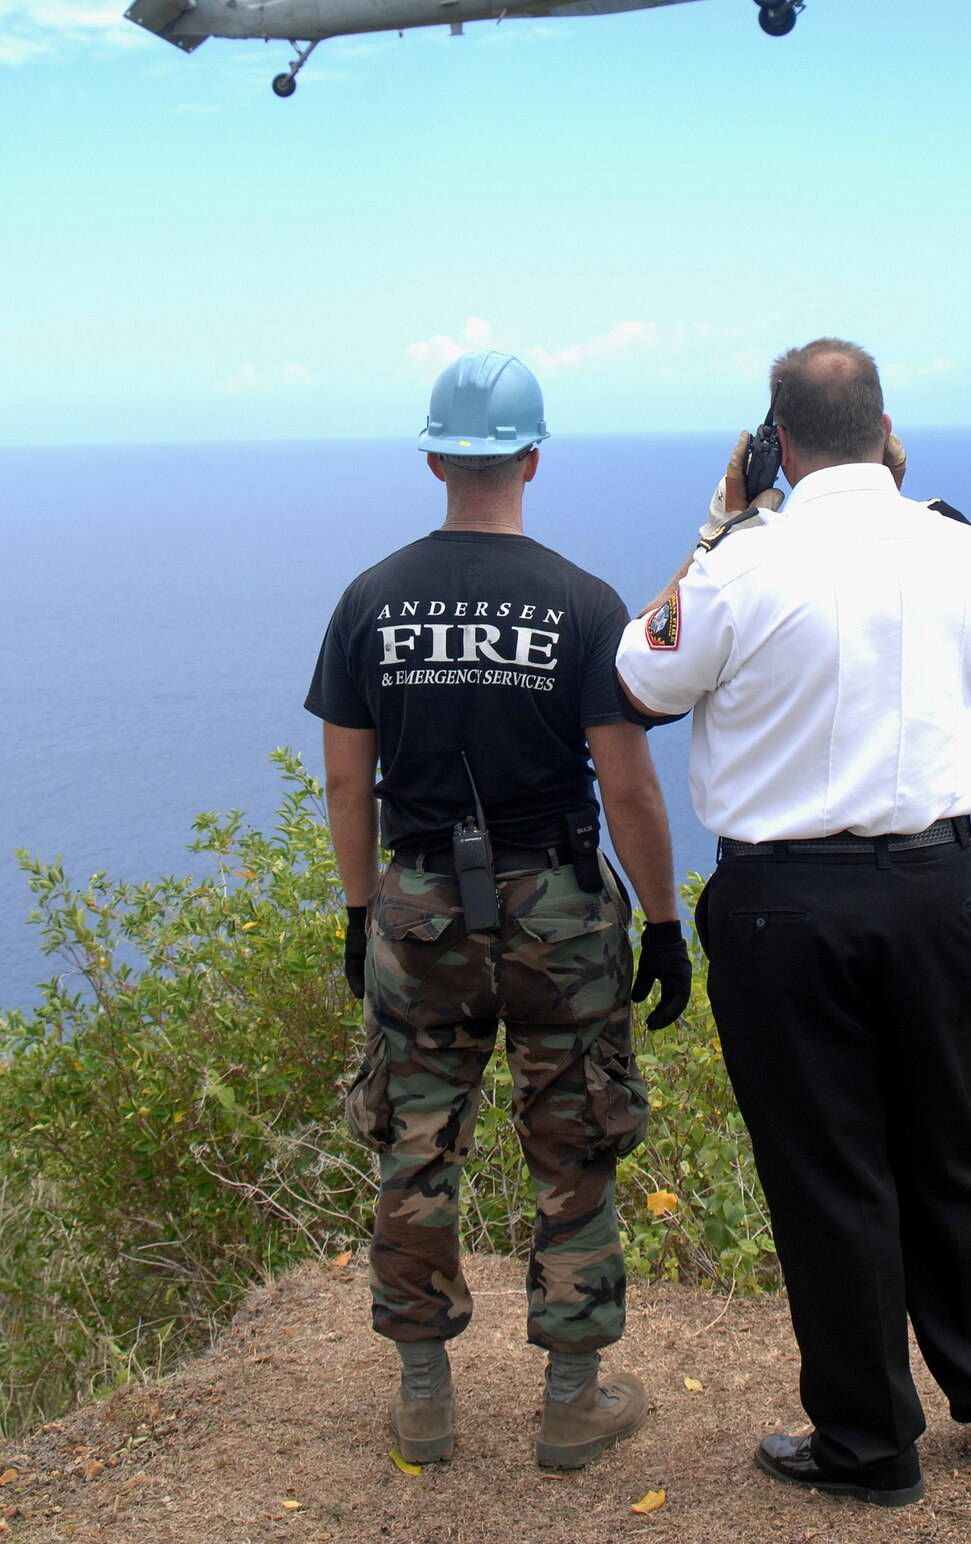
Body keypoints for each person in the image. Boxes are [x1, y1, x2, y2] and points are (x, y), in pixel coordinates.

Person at [615, 338, 971, 1511]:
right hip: (941, 888)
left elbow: (642, 676)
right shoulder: (969, 549)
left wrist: (718, 521)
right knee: (940, 1143)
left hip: (788, 905)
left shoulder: (743, 562)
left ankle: (869, 1441)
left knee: (828, 1170)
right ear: (884, 426)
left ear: (776, 439)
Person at [307, 350, 690, 1473]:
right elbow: (627, 784)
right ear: (532, 457)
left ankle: (424, 1399)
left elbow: (345, 781)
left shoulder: (368, 599)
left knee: (414, 1144)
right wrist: (664, 921)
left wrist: (359, 906)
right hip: (561, 910)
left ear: (434, 457)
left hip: (419, 905)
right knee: (573, 1144)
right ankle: (571, 1400)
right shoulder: (582, 601)